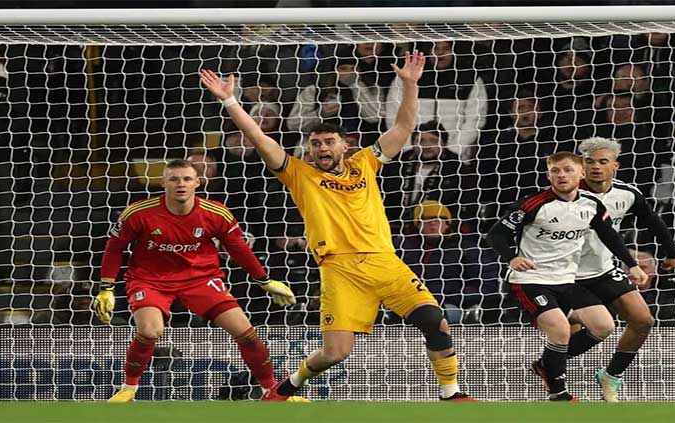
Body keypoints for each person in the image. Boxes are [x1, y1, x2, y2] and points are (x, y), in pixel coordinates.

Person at [200, 49, 476, 402]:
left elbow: (405, 127)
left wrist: (409, 85)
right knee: (335, 352)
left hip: (385, 262)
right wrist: (231, 101)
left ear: (344, 145)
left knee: (435, 320)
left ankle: (451, 394)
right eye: (315, 144)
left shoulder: (366, 162)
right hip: (340, 269)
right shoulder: (300, 175)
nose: (321, 148)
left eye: (329, 142)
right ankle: (283, 390)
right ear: (309, 151)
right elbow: (259, 138)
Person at [91, 159, 303, 403]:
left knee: (246, 333)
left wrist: (264, 281)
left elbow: (239, 249)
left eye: (187, 179)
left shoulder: (215, 213)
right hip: (150, 280)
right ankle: (129, 388)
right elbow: (114, 248)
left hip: (201, 279)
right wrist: (106, 287)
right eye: (174, 179)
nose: (180, 184)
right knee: (150, 331)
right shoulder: (139, 213)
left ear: (198, 183)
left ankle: (272, 391)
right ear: (163, 183)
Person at [487, 151, 648, 401]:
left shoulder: (591, 204)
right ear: (548, 174)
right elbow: (496, 234)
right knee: (561, 330)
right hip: (532, 281)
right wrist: (512, 257)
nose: (561, 175)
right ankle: (558, 392)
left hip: (567, 280)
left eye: (567, 170)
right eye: (555, 171)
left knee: (604, 326)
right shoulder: (534, 204)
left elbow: (609, 235)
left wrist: (631, 264)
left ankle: (546, 365)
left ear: (581, 173)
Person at [574, 137, 675, 402]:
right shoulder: (565, 194)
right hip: (564, 273)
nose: (596, 167)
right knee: (573, 327)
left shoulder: (627, 193)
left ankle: (610, 377)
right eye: (589, 161)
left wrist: (671, 253)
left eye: (602, 161)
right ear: (581, 166)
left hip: (604, 269)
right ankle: (552, 371)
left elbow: (652, 221)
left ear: (615, 166)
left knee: (643, 321)